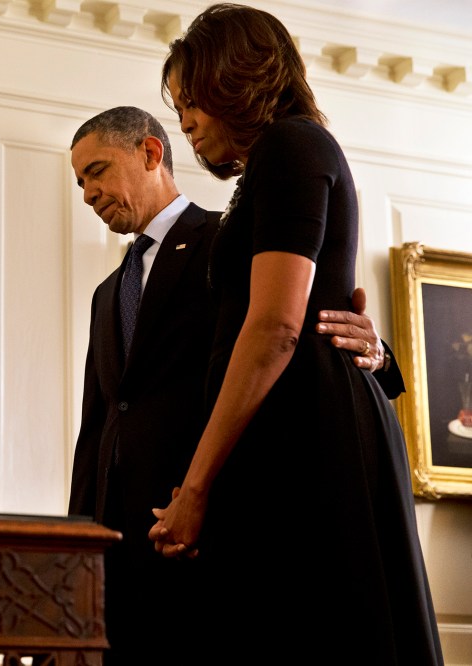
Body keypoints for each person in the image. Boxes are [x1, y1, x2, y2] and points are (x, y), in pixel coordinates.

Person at [150, 4, 443, 663]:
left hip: (304, 440)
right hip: (297, 430)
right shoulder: (288, 155)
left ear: (237, 78)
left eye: (192, 100)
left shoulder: (291, 145)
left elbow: (278, 327)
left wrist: (195, 490)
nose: (187, 122)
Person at [67, 106, 399, 663]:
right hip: (123, 555)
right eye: (80, 182)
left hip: (214, 529)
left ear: (151, 153)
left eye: (96, 171)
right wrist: (79, 546)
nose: (87, 193)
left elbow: (295, 329)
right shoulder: (106, 293)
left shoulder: (230, 240)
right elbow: (98, 426)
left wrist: (379, 354)